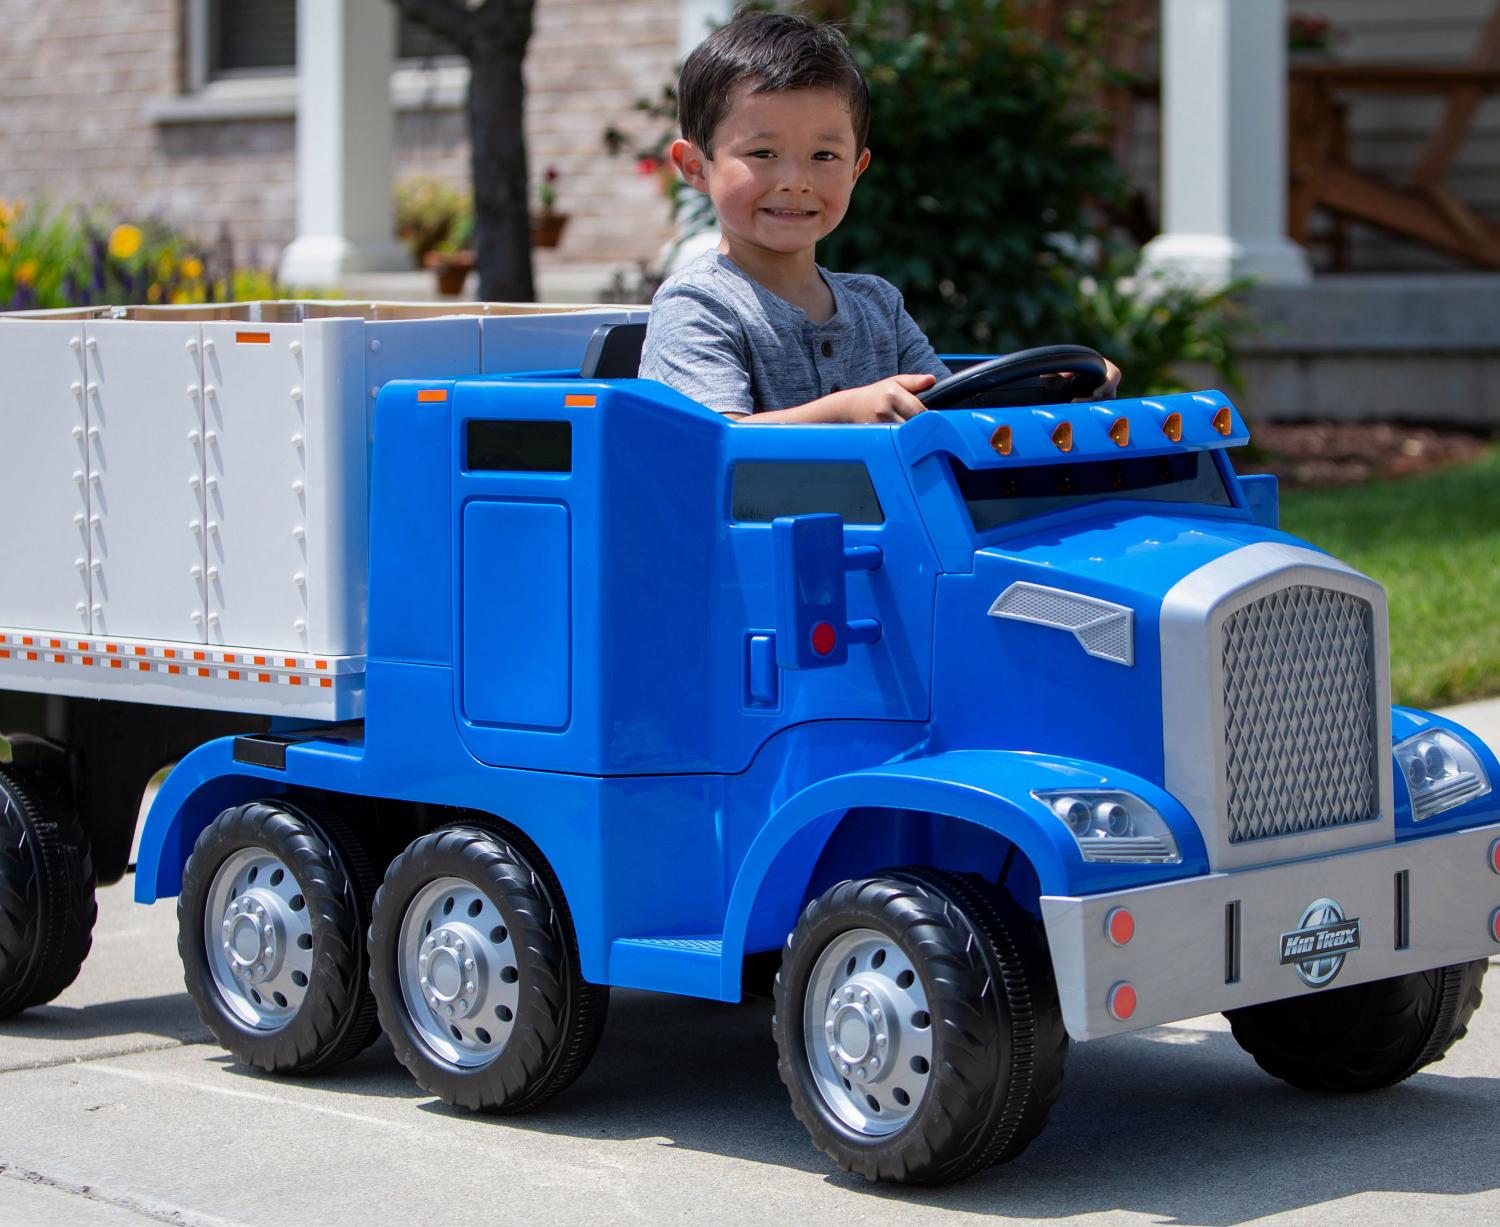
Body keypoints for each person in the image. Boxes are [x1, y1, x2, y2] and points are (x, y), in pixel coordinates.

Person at [638, 11, 1121, 423]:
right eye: (763, 152)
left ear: (856, 169)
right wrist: (842, 413)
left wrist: (1047, 391)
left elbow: (949, 408)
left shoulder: (877, 306)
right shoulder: (698, 304)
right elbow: (711, 444)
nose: (796, 181)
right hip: (750, 533)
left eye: (823, 156)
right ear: (696, 167)